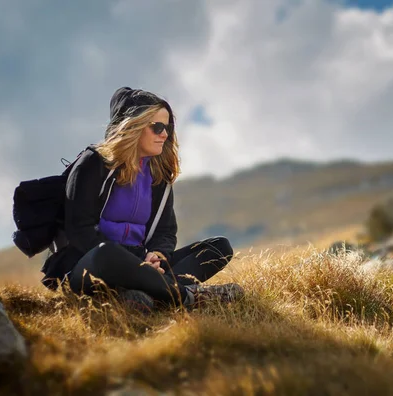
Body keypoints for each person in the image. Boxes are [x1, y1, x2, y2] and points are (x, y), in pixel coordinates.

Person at [41, 87, 243, 311]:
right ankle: (185, 296)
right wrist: (140, 258)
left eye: (167, 128)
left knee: (218, 247)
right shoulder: (93, 163)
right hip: (87, 265)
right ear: (133, 126)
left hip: (144, 263)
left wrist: (157, 255)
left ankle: (144, 295)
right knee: (105, 252)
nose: (164, 135)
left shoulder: (158, 174)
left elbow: (165, 231)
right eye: (157, 127)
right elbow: (79, 231)